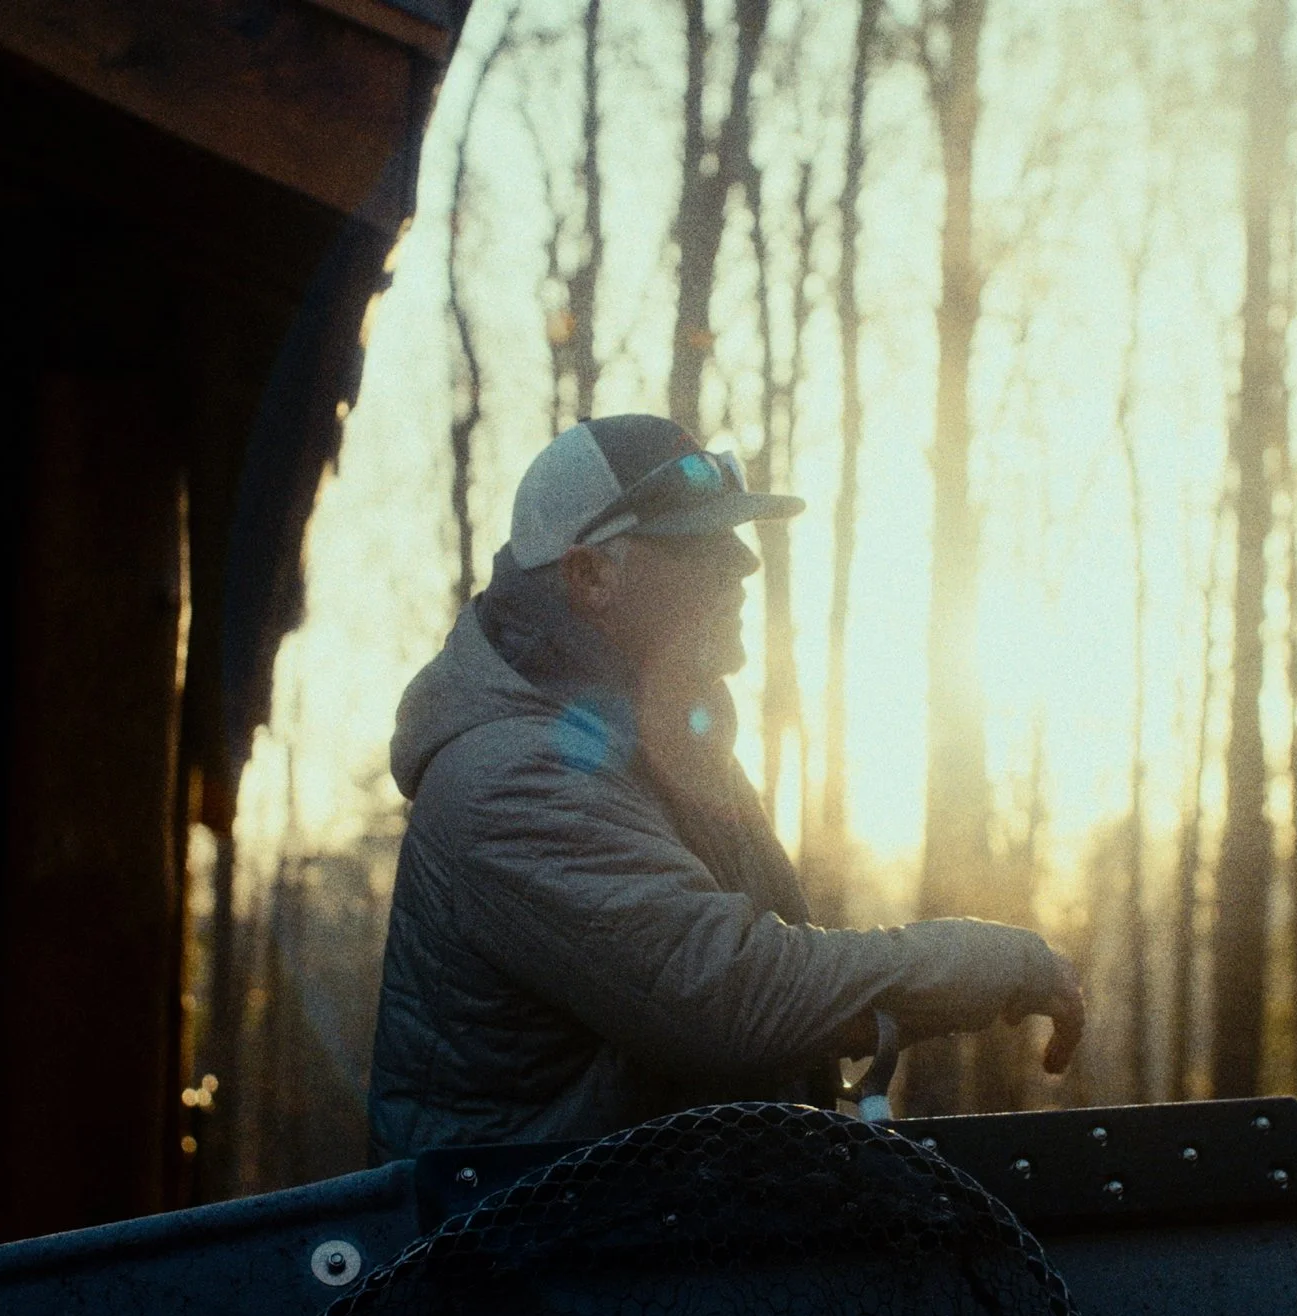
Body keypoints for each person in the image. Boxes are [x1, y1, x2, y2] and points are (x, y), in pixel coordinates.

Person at [369, 414, 1084, 1158]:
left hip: (635, 1213)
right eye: (695, 543)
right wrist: (985, 964)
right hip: (519, 1228)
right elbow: (727, 994)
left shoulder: (666, 740)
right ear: (590, 576)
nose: (741, 564)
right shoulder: (511, 778)